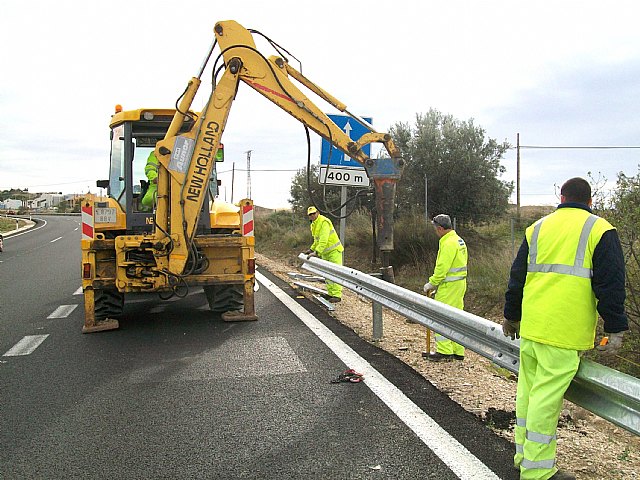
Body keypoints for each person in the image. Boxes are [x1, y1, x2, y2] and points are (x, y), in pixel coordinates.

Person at [503, 177, 628, 480]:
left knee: (528, 395)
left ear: (562, 197)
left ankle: (523, 456)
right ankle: (537, 472)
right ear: (590, 201)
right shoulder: (600, 229)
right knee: (545, 400)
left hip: (532, 327)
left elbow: (517, 276)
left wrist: (511, 315)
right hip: (563, 332)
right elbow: (610, 284)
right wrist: (615, 327)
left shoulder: (537, 228)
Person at [423, 213, 468, 362]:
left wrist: (432, 283)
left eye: (436, 228)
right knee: (456, 317)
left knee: (441, 316)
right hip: (459, 284)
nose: (435, 231)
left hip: (448, 286)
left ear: (441, 228)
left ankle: (444, 351)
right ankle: (457, 350)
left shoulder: (448, 243)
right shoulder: (459, 240)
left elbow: (442, 267)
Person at [304, 206, 344, 303]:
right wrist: (311, 249)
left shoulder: (323, 221)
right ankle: (331, 293)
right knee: (327, 274)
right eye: (310, 215)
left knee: (335, 273)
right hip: (325, 253)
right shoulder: (314, 224)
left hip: (334, 251)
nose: (312, 216)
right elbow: (317, 240)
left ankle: (337, 295)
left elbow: (323, 239)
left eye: (313, 213)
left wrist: (316, 252)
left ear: (317, 212)